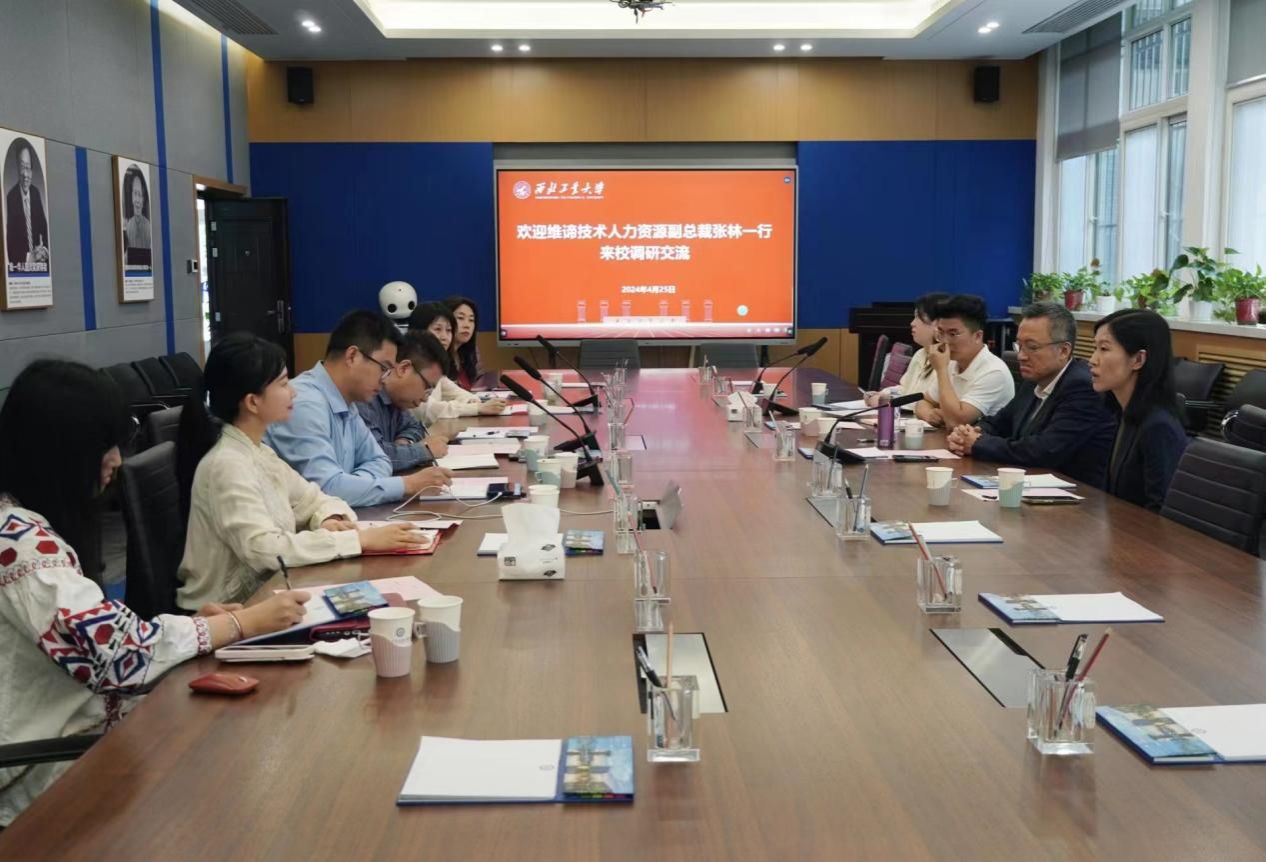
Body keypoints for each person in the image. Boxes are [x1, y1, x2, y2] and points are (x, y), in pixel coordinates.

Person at [0, 360, 308, 827]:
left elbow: (96, 633)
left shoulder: (24, 520)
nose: (115, 461)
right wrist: (238, 624)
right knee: (231, 783)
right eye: (103, 447)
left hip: (82, 723)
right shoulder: (19, 544)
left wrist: (198, 626)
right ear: (60, 451)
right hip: (45, 764)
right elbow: (118, 655)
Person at [177, 333, 428, 610]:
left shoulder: (260, 452)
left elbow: (315, 497)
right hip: (228, 611)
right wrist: (357, 539)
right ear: (252, 402)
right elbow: (265, 551)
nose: (293, 392)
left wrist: (328, 518)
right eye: (283, 383)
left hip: (271, 593)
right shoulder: (227, 465)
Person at [265, 310, 453, 508]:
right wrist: (407, 485)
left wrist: (352, 486)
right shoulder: (304, 404)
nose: (385, 378)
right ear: (353, 356)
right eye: (383, 368)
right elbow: (327, 490)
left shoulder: (347, 401)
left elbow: (380, 460)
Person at [946, 302, 1116, 486]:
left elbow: (1044, 450)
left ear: (1063, 351)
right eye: (1019, 346)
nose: (1021, 356)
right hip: (1030, 483)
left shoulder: (1083, 387)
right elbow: (998, 422)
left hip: (1078, 494)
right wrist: (969, 434)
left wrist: (978, 444)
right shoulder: (1033, 379)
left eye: (1032, 347)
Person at [1089, 308, 1188, 512]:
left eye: (1104, 349)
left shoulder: (1158, 427)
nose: (1092, 359)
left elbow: (1160, 511)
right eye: (1095, 348)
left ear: (1138, 360)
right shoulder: (1121, 412)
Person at [914, 294, 1015, 427]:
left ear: (978, 336)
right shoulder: (952, 363)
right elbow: (923, 402)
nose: (945, 341)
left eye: (953, 334)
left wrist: (941, 370)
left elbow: (956, 422)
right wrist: (929, 414)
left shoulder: (994, 372)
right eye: (941, 333)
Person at [356, 331, 452, 471]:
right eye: (427, 387)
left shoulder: (398, 401)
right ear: (404, 369)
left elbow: (415, 427)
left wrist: (404, 443)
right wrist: (424, 450)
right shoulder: (365, 396)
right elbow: (373, 456)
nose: (425, 398)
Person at [408, 302, 506, 422]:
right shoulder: (410, 364)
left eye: (449, 330)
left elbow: (457, 393)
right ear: (419, 330)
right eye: (438, 329)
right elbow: (427, 410)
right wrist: (477, 408)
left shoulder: (435, 365)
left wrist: (474, 402)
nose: (444, 337)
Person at [863, 292, 949, 406]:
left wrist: (886, 402)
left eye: (918, 317)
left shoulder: (949, 361)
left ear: (938, 324)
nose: (912, 323)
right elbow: (905, 390)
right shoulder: (920, 354)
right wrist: (883, 394)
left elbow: (927, 401)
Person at [5, 144, 50, 269]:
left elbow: (45, 229)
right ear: (17, 168)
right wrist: (29, 257)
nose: (25, 174)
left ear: (32, 171)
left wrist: (44, 250)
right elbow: (10, 244)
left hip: (39, 263)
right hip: (22, 264)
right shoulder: (11, 198)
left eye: (28, 168)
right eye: (22, 167)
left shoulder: (35, 193)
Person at [446, 295, 483, 389]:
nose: (467, 325)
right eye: (460, 318)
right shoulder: (437, 359)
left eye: (471, 320)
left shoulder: (468, 355)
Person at [122, 165, 151, 267]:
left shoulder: (148, 227)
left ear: (143, 199)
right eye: (135, 193)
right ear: (131, 197)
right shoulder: (129, 225)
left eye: (140, 195)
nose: (137, 200)